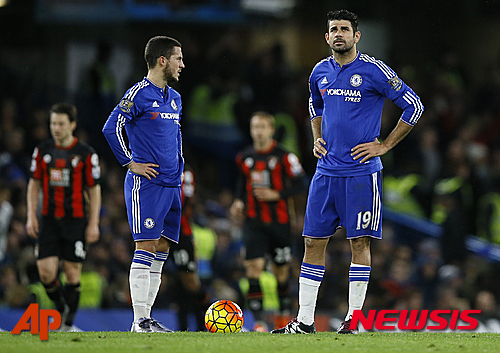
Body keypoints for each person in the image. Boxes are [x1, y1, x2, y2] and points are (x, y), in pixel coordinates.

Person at [272, 9, 424, 334]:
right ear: (327, 37)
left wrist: (384, 146)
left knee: (359, 245)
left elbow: (414, 105)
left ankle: (353, 321)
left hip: (361, 174)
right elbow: (316, 103)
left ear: (356, 36)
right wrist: (316, 137)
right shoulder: (319, 71)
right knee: (312, 242)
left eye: (345, 29)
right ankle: (304, 321)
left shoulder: (373, 70)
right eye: (333, 29)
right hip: (325, 172)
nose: (338, 33)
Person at [102, 36, 185, 333]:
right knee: (146, 244)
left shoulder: (174, 97)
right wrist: (129, 162)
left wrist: (181, 168)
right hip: (146, 184)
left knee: (162, 248)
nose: (182, 64)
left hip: (172, 185)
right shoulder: (138, 93)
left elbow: (175, 137)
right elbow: (111, 128)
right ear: (162, 60)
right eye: (178, 58)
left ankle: (147, 317)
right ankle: (139, 320)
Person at [26, 102, 102, 331]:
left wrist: (94, 223)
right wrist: (31, 215)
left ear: (72, 125)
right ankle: (61, 309)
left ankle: (67, 325)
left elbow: (94, 189)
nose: (55, 128)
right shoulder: (42, 151)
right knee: (46, 273)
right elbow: (34, 184)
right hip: (49, 218)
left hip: (76, 220)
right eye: (53, 123)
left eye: (60, 123)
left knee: (71, 273)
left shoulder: (86, 154)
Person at [230, 111, 307, 331]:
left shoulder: (285, 157)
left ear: (271, 130)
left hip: (280, 223)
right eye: (255, 127)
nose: (258, 131)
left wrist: (278, 195)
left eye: (263, 127)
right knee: (253, 268)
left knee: (280, 273)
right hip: (253, 222)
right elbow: (241, 184)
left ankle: (283, 318)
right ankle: (260, 323)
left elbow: (302, 184)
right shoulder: (244, 157)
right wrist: (238, 201)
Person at [169, 164, 209, 331]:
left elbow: (183, 202)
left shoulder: (185, 171)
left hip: (180, 233)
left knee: (189, 281)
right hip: (155, 230)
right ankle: (143, 320)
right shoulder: (149, 165)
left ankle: (207, 318)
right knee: (154, 275)